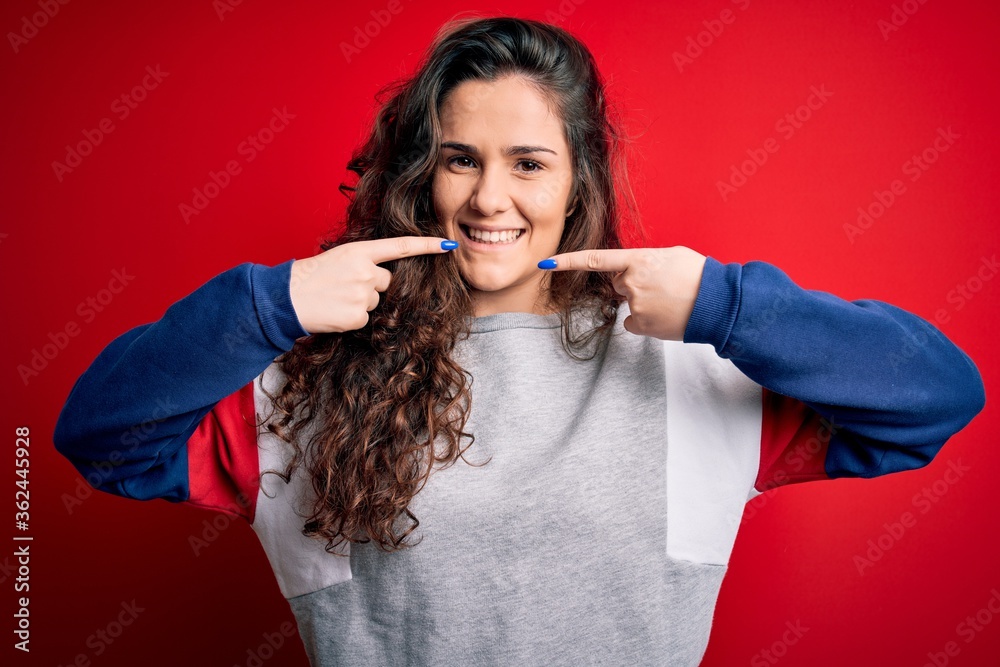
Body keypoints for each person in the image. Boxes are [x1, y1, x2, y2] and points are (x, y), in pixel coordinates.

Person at [53, 15, 984, 667]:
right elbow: (98, 434)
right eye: (461, 159)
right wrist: (269, 303)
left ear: (579, 185)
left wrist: (728, 304)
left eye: (529, 163)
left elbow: (936, 396)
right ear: (426, 175)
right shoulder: (299, 380)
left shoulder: (692, 368)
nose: (490, 199)